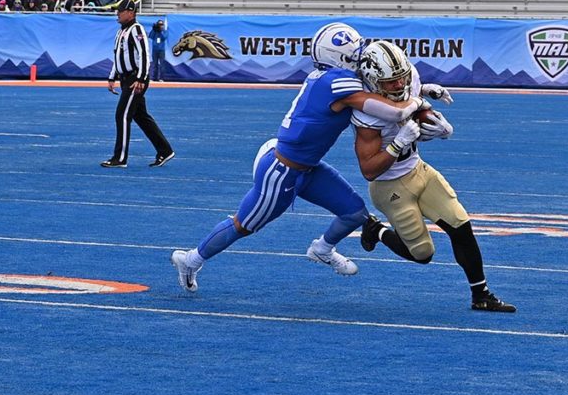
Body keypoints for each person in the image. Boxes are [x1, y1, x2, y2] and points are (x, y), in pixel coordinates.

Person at [170, 22, 429, 293]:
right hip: (282, 171)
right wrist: (419, 101)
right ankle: (190, 260)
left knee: (354, 213)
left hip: (307, 167)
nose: (361, 58)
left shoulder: (332, 78)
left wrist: (422, 90)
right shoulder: (338, 82)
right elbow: (395, 111)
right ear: (340, 58)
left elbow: (385, 91)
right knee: (243, 226)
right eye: (355, 54)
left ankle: (322, 249)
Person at [352, 41, 516, 313]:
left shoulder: (409, 78)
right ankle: (376, 230)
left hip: (418, 170)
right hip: (389, 186)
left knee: (460, 223)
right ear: (373, 81)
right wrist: (397, 144)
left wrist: (438, 125)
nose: (399, 85)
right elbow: (369, 169)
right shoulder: (365, 111)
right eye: (391, 82)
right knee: (422, 254)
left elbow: (415, 104)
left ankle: (481, 294)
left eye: (401, 77)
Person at [102, 0, 174, 168]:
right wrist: (112, 76)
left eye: (121, 10)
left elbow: (144, 55)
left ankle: (120, 158)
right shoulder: (121, 31)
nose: (117, 14)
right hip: (126, 78)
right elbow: (118, 57)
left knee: (122, 115)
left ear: (131, 13)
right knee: (141, 117)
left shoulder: (136, 29)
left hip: (135, 79)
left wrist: (141, 78)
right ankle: (165, 150)